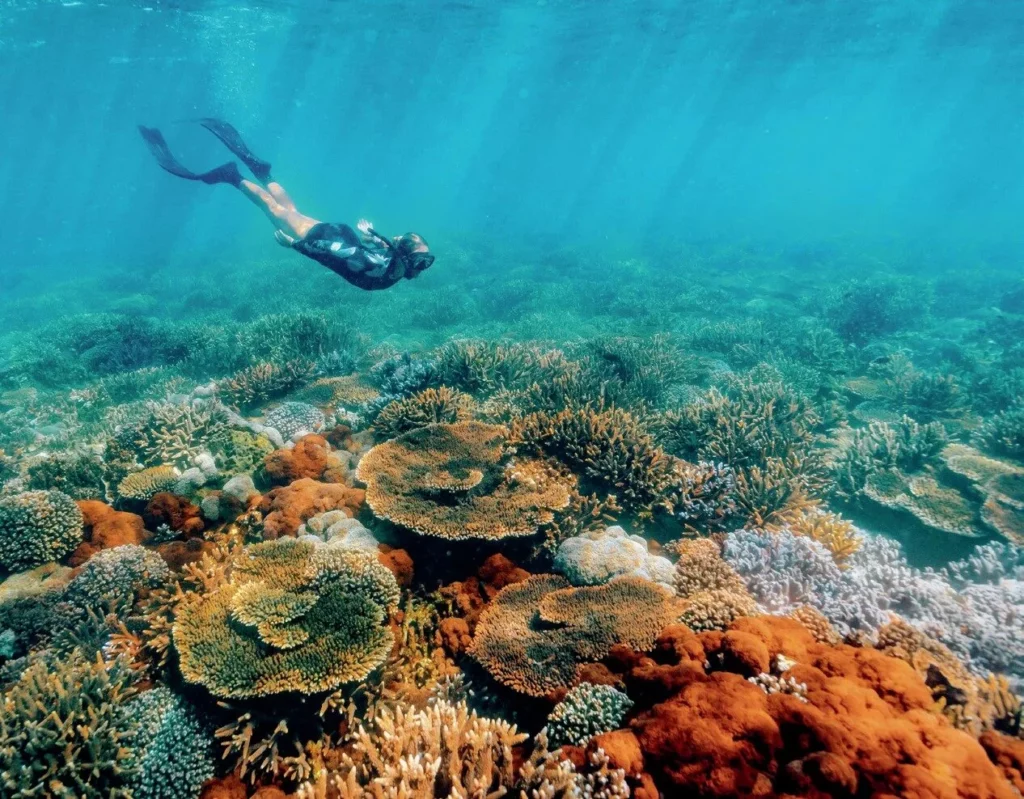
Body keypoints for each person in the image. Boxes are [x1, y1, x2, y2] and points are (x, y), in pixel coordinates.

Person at [137, 119, 435, 290]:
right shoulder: (387, 266)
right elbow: (331, 256)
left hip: (341, 234)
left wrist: (371, 236)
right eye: (422, 260)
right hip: (329, 240)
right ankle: (232, 176)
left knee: (290, 210)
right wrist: (295, 245)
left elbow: (377, 252)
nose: (422, 267)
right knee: (276, 212)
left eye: (423, 261)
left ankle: (265, 173)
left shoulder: (394, 262)